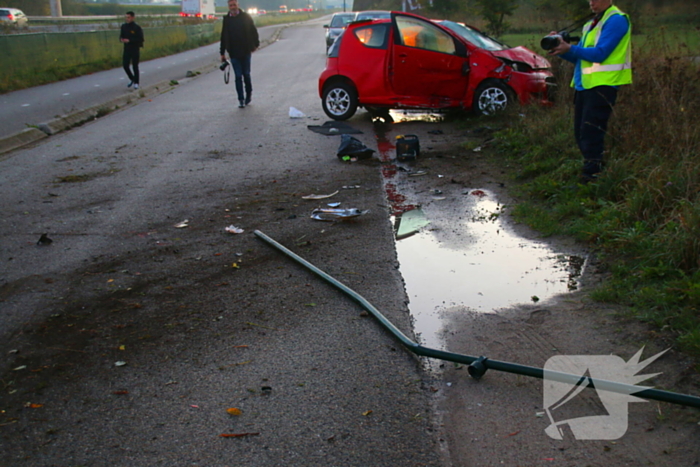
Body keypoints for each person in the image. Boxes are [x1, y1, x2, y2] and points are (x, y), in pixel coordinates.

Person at [549, 0, 632, 182]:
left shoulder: (616, 20)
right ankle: (592, 172)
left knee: (591, 134)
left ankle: (592, 177)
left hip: (603, 86)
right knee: (580, 133)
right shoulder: (591, 24)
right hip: (584, 85)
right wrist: (562, 50)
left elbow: (600, 54)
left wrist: (570, 47)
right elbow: (583, 59)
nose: (591, 2)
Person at [219, 0, 259, 108]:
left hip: (246, 50)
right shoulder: (226, 20)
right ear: (228, 6)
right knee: (237, 76)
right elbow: (223, 36)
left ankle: (248, 94)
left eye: (234, 5)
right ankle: (241, 99)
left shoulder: (245, 17)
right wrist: (222, 53)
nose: (232, 7)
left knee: (246, 74)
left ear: (238, 5)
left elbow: (253, 31)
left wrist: (255, 44)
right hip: (233, 52)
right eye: (231, 5)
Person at [120, 11, 144, 90]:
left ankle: (136, 82)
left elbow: (140, 39)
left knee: (135, 66)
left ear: (133, 17)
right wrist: (122, 39)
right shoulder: (123, 26)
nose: (127, 19)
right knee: (125, 65)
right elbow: (121, 36)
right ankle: (132, 78)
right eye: (126, 17)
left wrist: (130, 40)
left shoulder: (136, 27)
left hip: (135, 49)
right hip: (127, 49)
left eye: (129, 17)